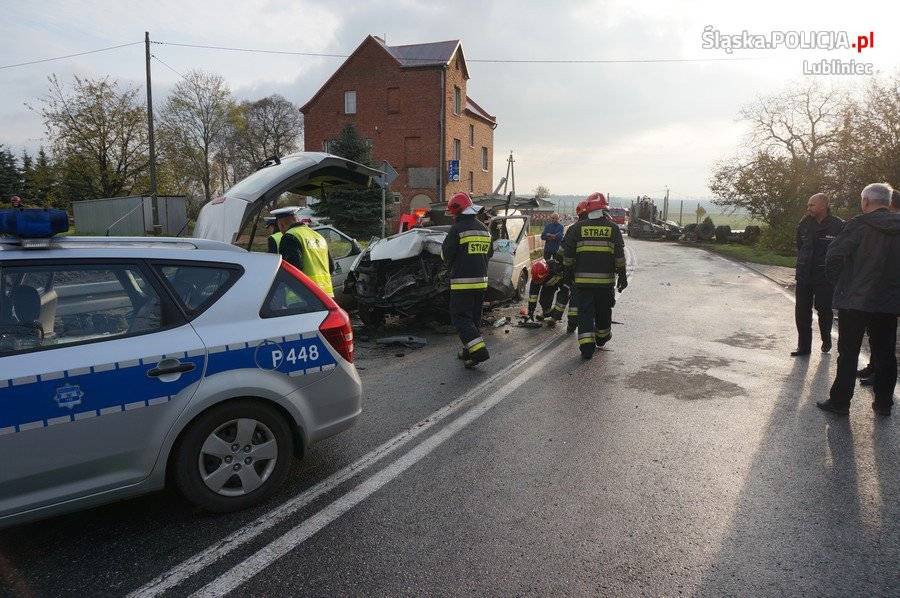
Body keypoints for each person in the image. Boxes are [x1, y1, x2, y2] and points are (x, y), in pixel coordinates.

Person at [817, 183, 900, 416]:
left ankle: (840, 402)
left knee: (849, 352)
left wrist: (840, 285)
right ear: (889, 201)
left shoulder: (857, 224)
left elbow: (833, 256)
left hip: (855, 301)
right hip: (888, 302)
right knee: (885, 354)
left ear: (866, 201)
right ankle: (884, 404)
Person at [562, 192, 627, 360]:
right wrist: (622, 276)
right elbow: (619, 256)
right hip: (605, 284)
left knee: (585, 313)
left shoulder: (576, 228)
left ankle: (586, 347)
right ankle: (602, 336)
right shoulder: (613, 229)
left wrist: (567, 274)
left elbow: (568, 255)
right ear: (604, 209)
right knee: (603, 311)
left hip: (582, 283)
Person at [442, 192, 493, 369]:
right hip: (481, 282)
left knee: (460, 318)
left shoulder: (457, 229)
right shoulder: (485, 229)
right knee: (473, 319)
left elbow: (446, 254)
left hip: (462, 282)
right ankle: (468, 351)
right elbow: (490, 254)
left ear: (458, 212)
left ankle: (479, 353)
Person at [791, 193, 845, 356]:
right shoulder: (804, 223)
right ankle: (804, 347)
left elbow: (842, 251)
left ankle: (826, 339)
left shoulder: (838, 225)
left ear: (823, 205)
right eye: (808, 205)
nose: (808, 208)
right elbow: (800, 245)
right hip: (804, 273)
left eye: (812, 205)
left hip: (825, 276)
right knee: (802, 310)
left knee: (824, 309)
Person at [857, 187, 900, 385]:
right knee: (877, 337)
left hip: (885, 292)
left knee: (885, 342)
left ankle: (880, 379)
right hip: (878, 292)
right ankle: (874, 367)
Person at [272, 206, 335, 297]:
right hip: (326, 295)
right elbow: (331, 267)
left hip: (303, 297)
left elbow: (292, 268)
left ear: (281, 224)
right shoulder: (318, 236)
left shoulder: (290, 237)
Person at [525, 251, 571, 326]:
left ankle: (555, 318)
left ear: (547, 273)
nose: (538, 282)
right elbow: (533, 297)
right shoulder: (536, 277)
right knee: (543, 300)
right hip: (550, 284)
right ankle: (546, 313)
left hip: (563, 280)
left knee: (562, 298)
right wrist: (530, 314)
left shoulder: (557, 268)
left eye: (540, 280)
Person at [565, 200, 590, 333]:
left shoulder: (573, 229)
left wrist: (566, 270)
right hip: (599, 275)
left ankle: (572, 325)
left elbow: (564, 251)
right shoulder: (603, 227)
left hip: (577, 272)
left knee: (575, 300)